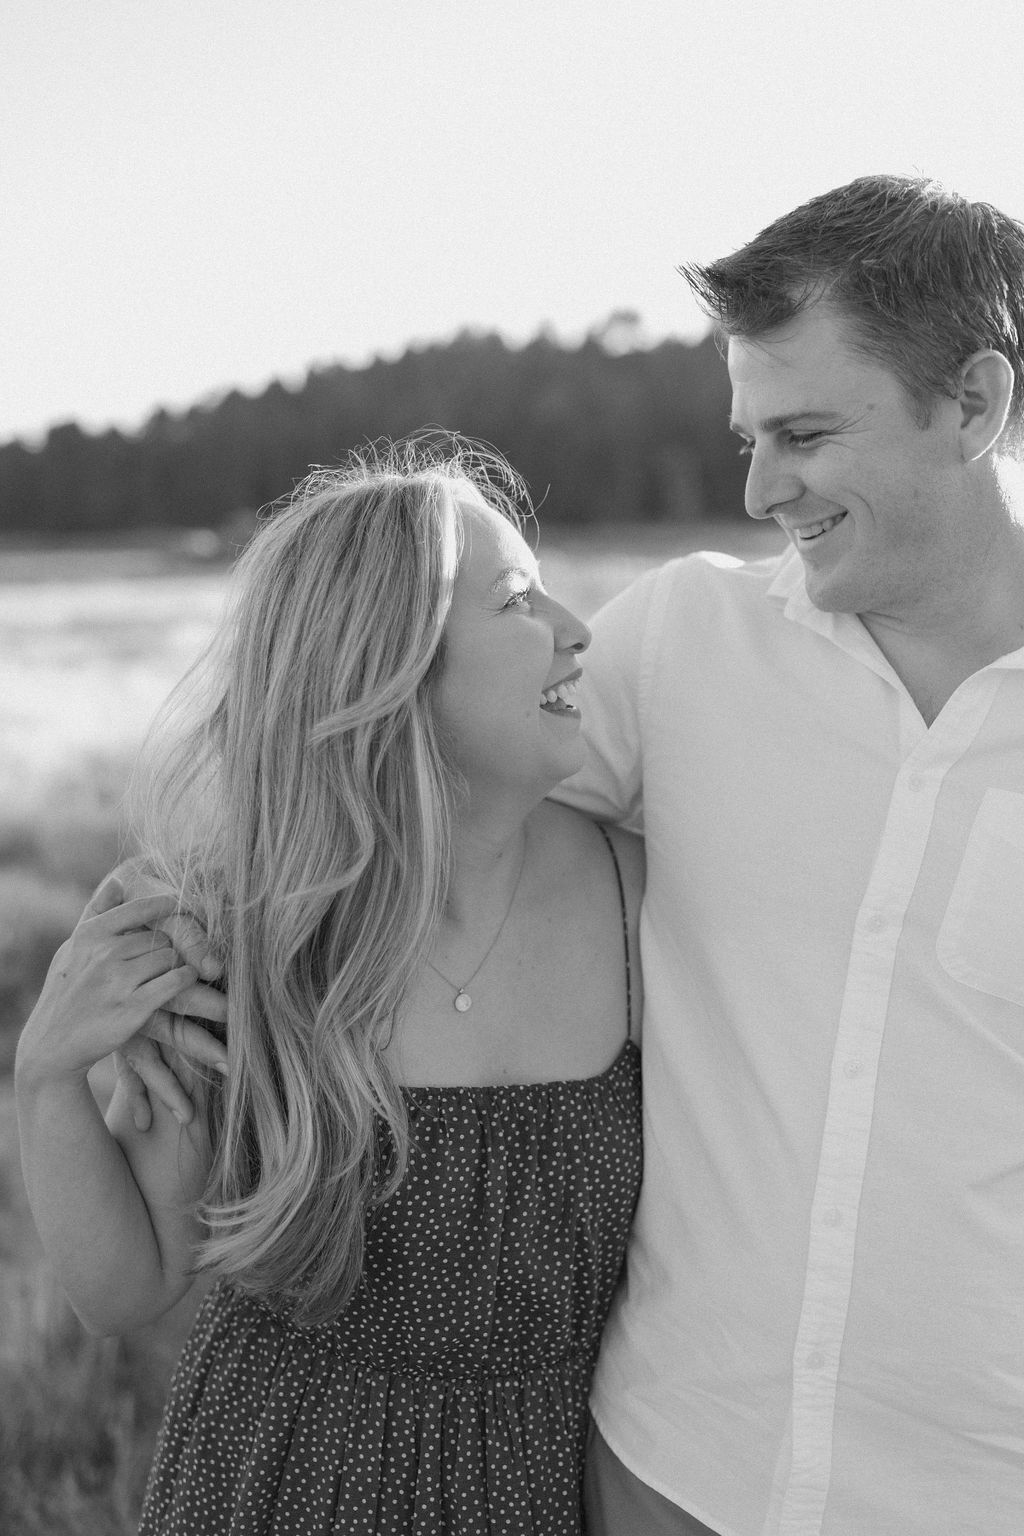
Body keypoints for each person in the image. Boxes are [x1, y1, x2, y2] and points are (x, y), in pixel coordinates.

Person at [15, 436, 644, 1535]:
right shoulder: (242, 936)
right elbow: (127, 1289)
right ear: (387, 667)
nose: (576, 630)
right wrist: (46, 1082)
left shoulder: (639, 896)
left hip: (547, 1488)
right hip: (274, 1485)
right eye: (515, 602)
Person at [561, 174, 1024, 1535]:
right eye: (749, 437)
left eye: (806, 433)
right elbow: (418, 813)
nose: (761, 488)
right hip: (668, 1466)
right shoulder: (677, 644)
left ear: (978, 406)